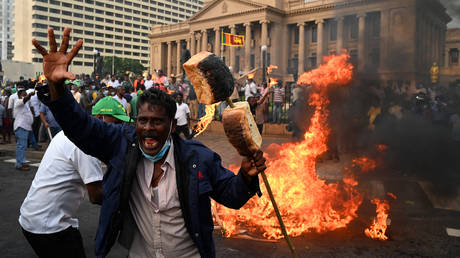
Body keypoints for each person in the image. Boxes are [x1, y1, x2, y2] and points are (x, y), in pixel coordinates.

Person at [33, 27, 267, 258]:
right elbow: (81, 127)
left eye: (157, 122)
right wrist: (56, 89)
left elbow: (232, 196)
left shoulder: (198, 158)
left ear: (172, 126)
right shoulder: (122, 144)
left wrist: (246, 176)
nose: (148, 129)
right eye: (142, 120)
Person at [19, 96, 131, 258]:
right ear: (100, 118)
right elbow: (96, 195)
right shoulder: (86, 146)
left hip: (33, 217)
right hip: (48, 225)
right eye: (116, 124)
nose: (118, 131)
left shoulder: (70, 134)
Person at [14, 88, 35, 171]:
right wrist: (29, 95)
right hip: (21, 127)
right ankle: (20, 164)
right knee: (21, 146)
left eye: (26, 93)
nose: (25, 94)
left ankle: (20, 163)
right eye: (24, 93)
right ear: (20, 95)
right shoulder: (18, 101)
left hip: (25, 127)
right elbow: (26, 99)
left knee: (22, 146)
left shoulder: (25, 104)